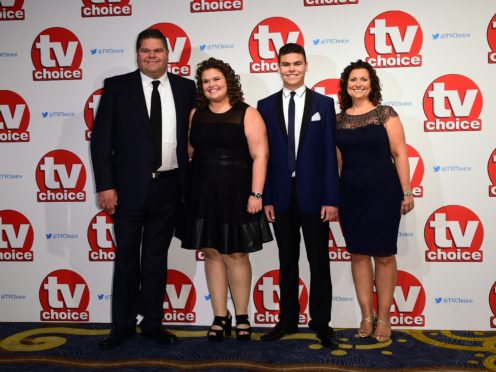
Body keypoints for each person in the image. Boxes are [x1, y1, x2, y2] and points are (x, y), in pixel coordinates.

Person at [90, 28, 195, 350]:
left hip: (169, 187)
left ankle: (152, 323)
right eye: (145, 50)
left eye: (157, 51)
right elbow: (101, 141)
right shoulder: (117, 88)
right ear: (137, 54)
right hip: (127, 191)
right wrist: (106, 185)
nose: (152, 56)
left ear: (168, 54)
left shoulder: (186, 88)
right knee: (125, 259)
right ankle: (121, 325)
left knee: (155, 259)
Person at [181, 57, 272, 342]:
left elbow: (261, 156)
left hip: (237, 191)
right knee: (210, 251)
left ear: (228, 81)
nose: (211, 85)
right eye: (206, 81)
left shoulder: (247, 113)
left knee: (236, 254)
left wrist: (256, 194)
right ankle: (221, 316)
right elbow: (190, 152)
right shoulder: (196, 114)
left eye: (216, 79)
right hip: (203, 191)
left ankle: (242, 315)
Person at [257, 43, 339, 349]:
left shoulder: (324, 104)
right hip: (280, 195)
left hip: (316, 197)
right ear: (278, 67)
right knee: (286, 260)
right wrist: (266, 197)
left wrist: (331, 198)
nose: (291, 68)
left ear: (305, 67)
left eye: (297, 63)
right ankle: (287, 320)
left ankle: (321, 322)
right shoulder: (264, 106)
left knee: (319, 261)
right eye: (286, 64)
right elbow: (263, 156)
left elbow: (330, 156)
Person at [335, 59, 414, 342]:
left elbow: (400, 153)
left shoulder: (385, 114)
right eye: (353, 80)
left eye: (363, 79)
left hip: (383, 191)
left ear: (372, 83)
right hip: (350, 195)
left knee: (383, 255)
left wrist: (407, 190)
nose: (358, 84)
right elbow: (339, 163)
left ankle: (384, 318)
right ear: (346, 85)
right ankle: (366, 317)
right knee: (357, 254)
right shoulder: (338, 120)